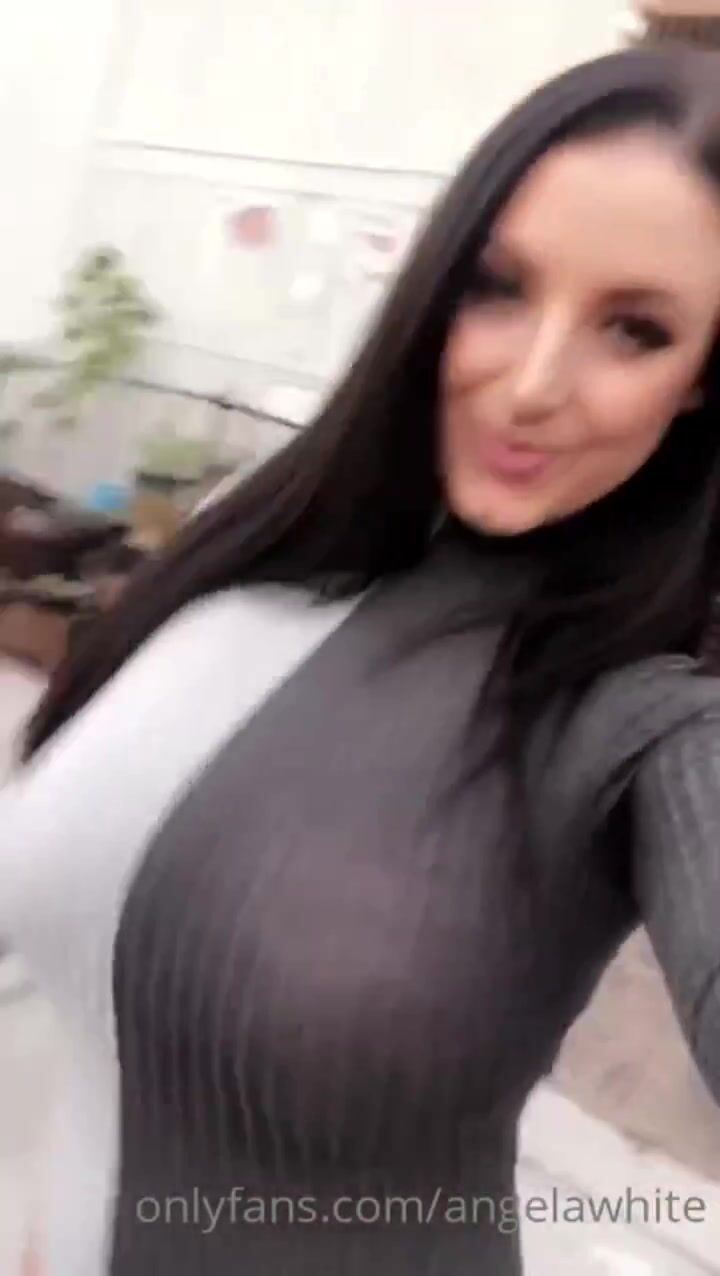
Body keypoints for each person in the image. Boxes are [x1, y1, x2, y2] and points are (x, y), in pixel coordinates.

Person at [5, 42, 720, 1276]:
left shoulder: (651, 713)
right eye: (498, 288)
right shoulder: (249, 552)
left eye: (634, 329)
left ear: (704, 381)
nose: (531, 385)